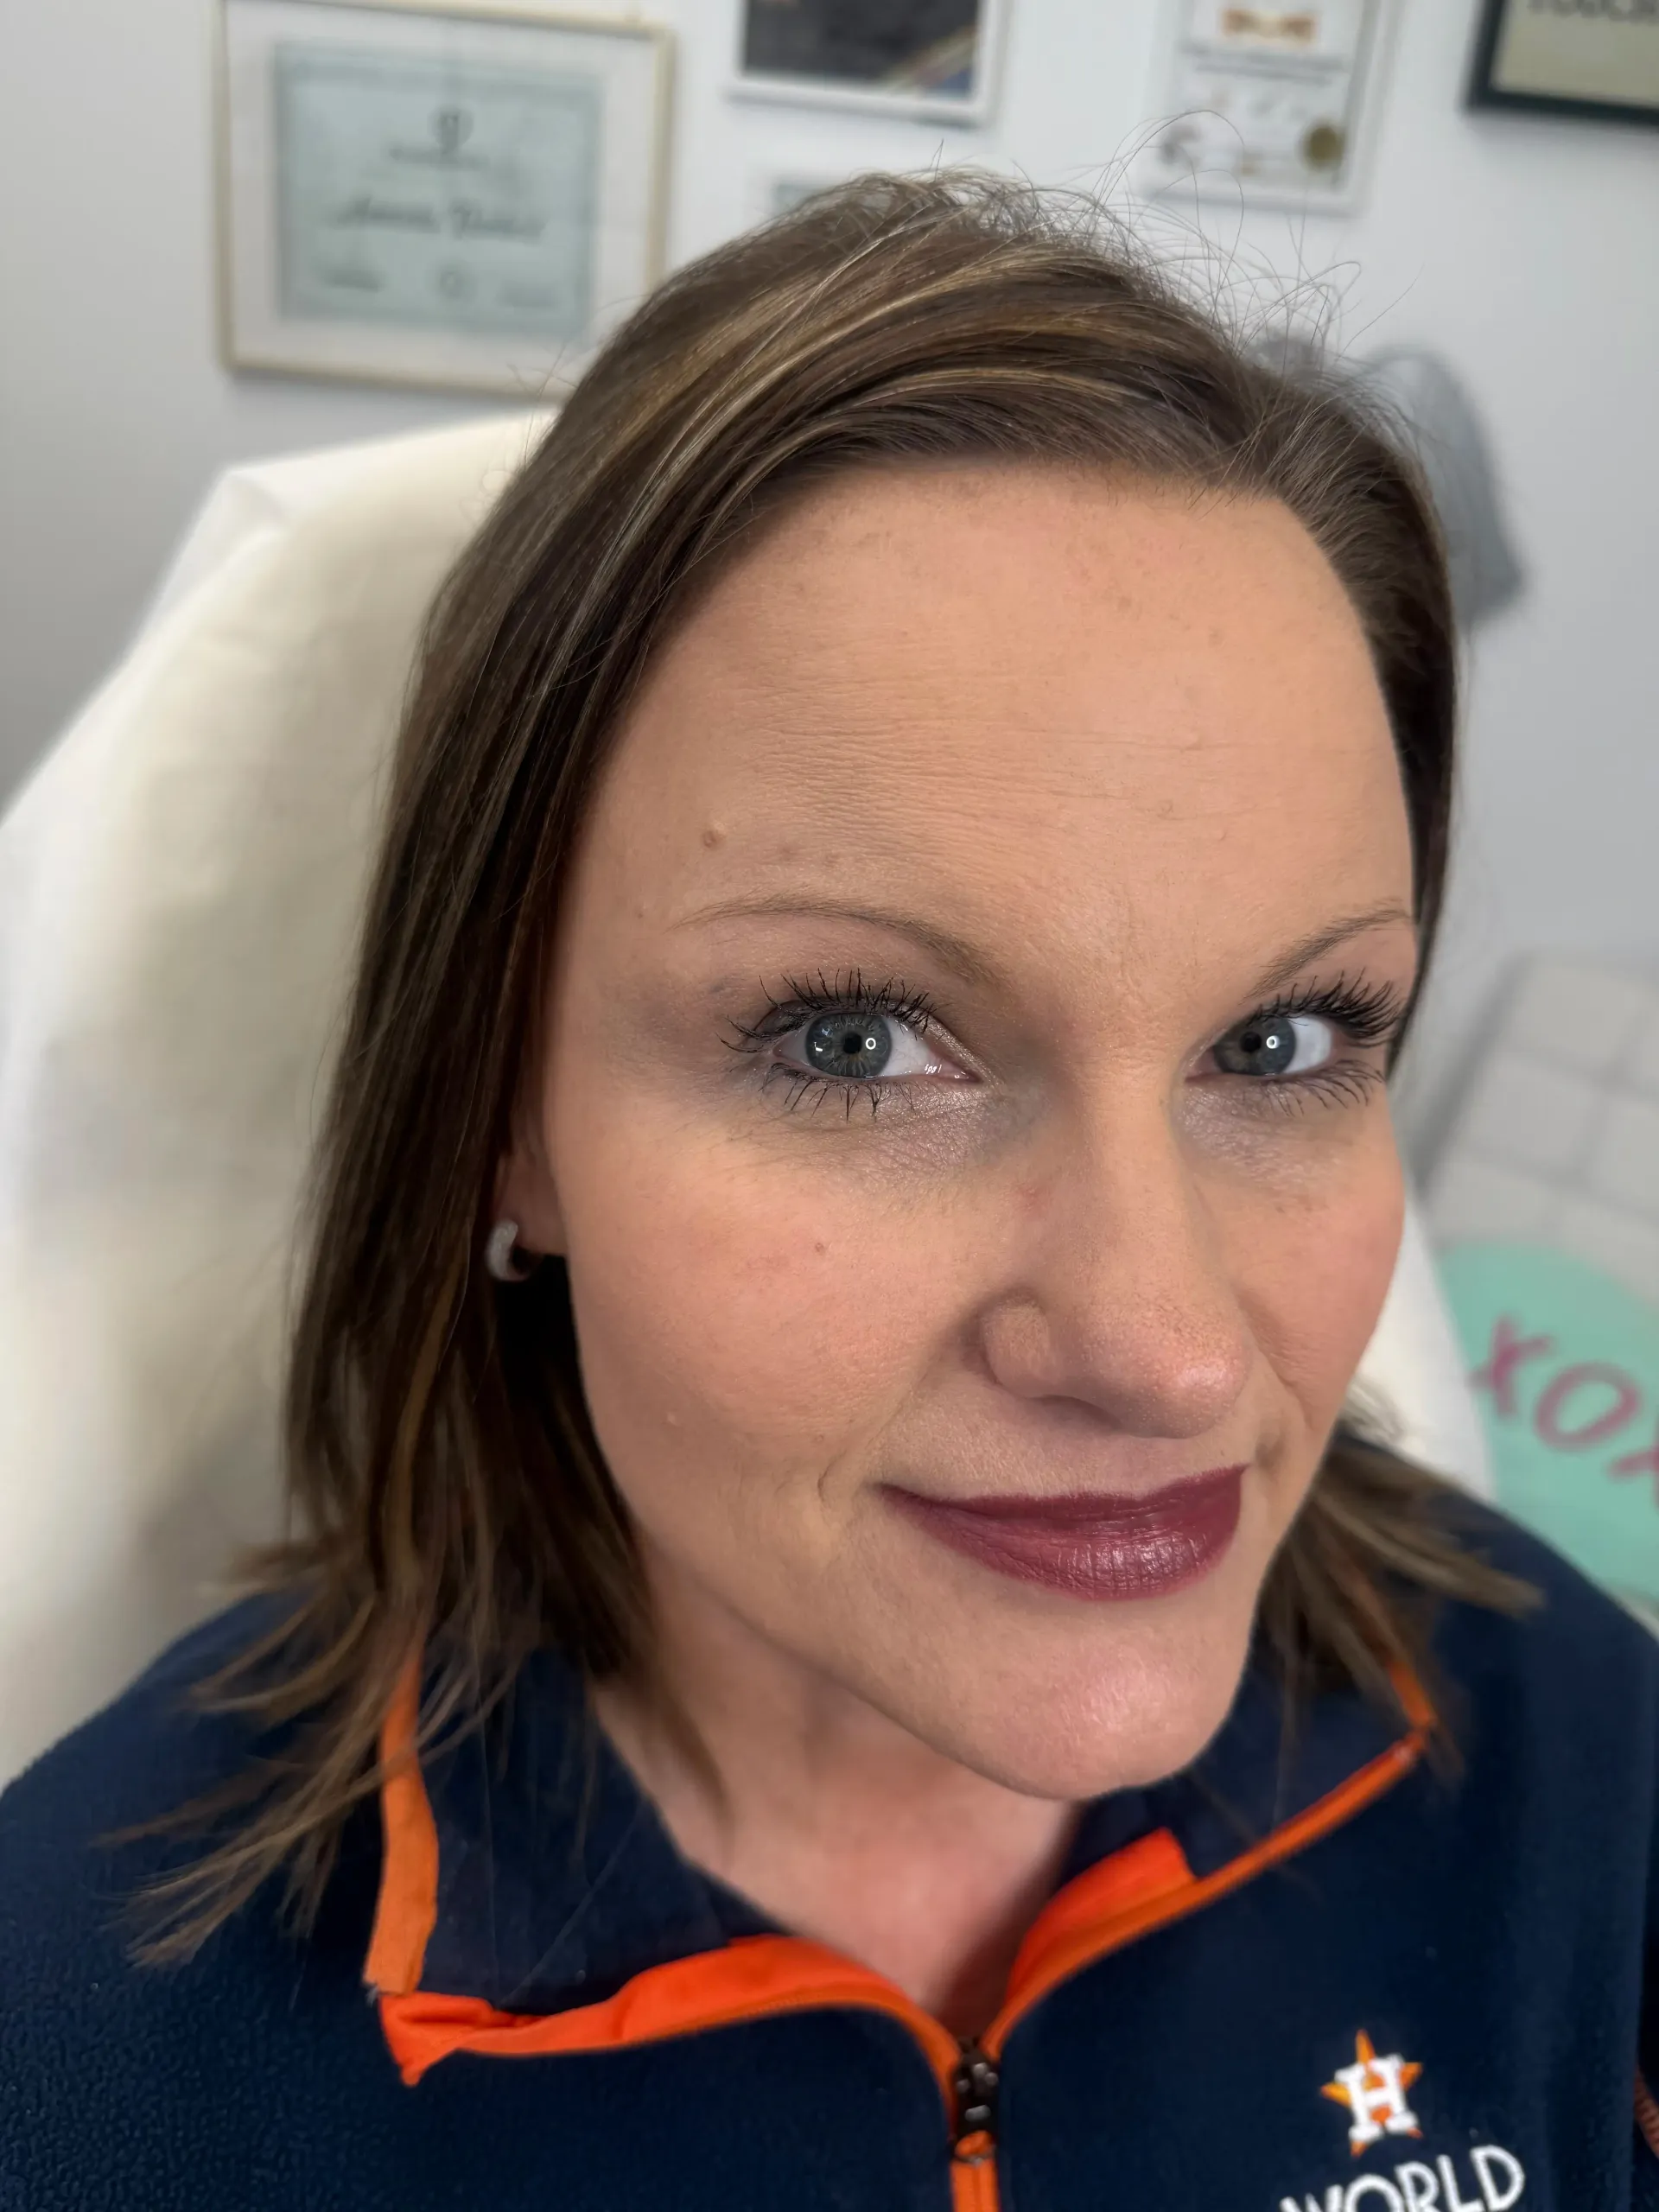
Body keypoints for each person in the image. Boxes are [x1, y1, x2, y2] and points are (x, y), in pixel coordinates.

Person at [1, 174, 1654, 2212]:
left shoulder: (1588, 1770)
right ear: (504, 1112)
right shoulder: (85, 2048)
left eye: (1286, 1039)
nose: (1167, 1346)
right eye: (858, 1040)